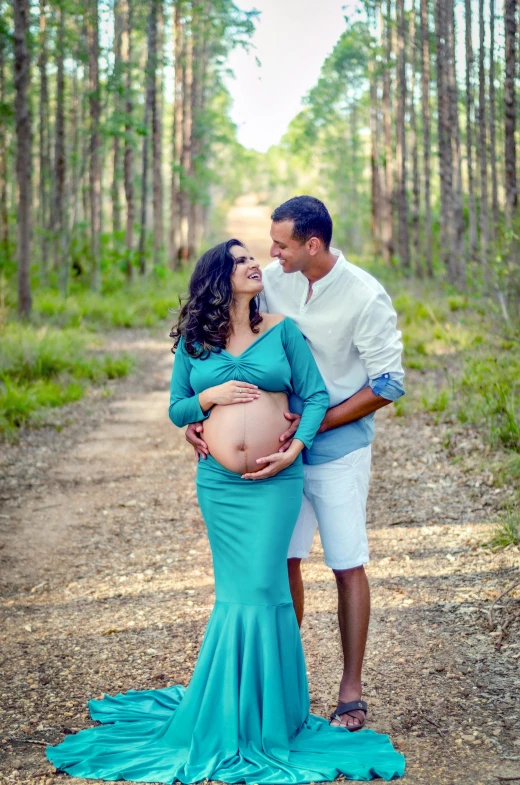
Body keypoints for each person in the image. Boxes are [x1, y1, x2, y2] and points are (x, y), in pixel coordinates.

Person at [46, 239, 405, 783]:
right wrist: (207, 403)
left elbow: (311, 396)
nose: (256, 262)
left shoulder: (282, 328)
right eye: (241, 260)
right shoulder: (194, 342)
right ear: (218, 277)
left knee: (264, 590)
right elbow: (177, 408)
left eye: (256, 256)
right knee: (242, 592)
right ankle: (238, 712)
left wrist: (297, 446)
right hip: (219, 485)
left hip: (276, 482)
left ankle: (270, 717)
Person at [186, 197, 405, 733]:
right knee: (282, 563)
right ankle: (284, 687)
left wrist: (314, 427)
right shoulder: (275, 281)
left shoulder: (364, 296)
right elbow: (228, 339)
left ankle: (350, 691)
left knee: (346, 562)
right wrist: (201, 414)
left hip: (336, 450)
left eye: (281, 243)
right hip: (274, 466)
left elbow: (388, 383)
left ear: (312, 244)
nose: (271, 252)